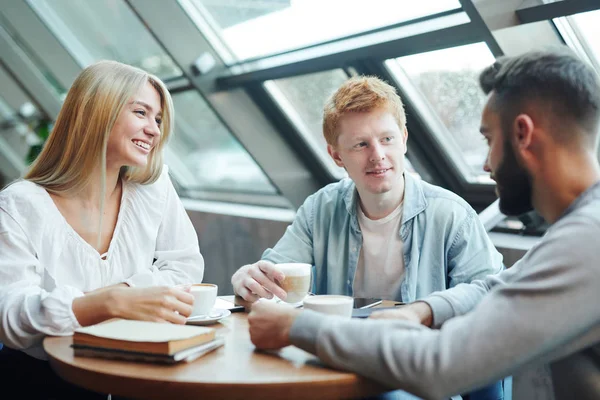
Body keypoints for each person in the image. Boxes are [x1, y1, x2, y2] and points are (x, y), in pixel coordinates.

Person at [248, 47, 600, 400]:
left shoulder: (588, 243)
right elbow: (494, 285)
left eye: (489, 140)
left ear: (523, 134)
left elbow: (440, 365)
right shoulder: (578, 233)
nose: (486, 166)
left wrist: (298, 327)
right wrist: (422, 311)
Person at [234, 75, 504, 399]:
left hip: (416, 377)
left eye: (387, 139)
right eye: (361, 144)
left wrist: (424, 312)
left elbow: (491, 297)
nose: (377, 155)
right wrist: (248, 279)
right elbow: (274, 275)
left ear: (403, 138)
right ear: (336, 156)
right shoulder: (320, 209)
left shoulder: (452, 214)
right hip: (338, 368)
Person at [0, 60, 204, 399]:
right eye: (141, 113)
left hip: (138, 371)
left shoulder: (153, 189)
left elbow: (185, 266)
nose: (154, 129)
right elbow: (9, 318)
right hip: (41, 382)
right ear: (97, 112)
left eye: (157, 119)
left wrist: (124, 290)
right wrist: (108, 302)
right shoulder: (18, 205)